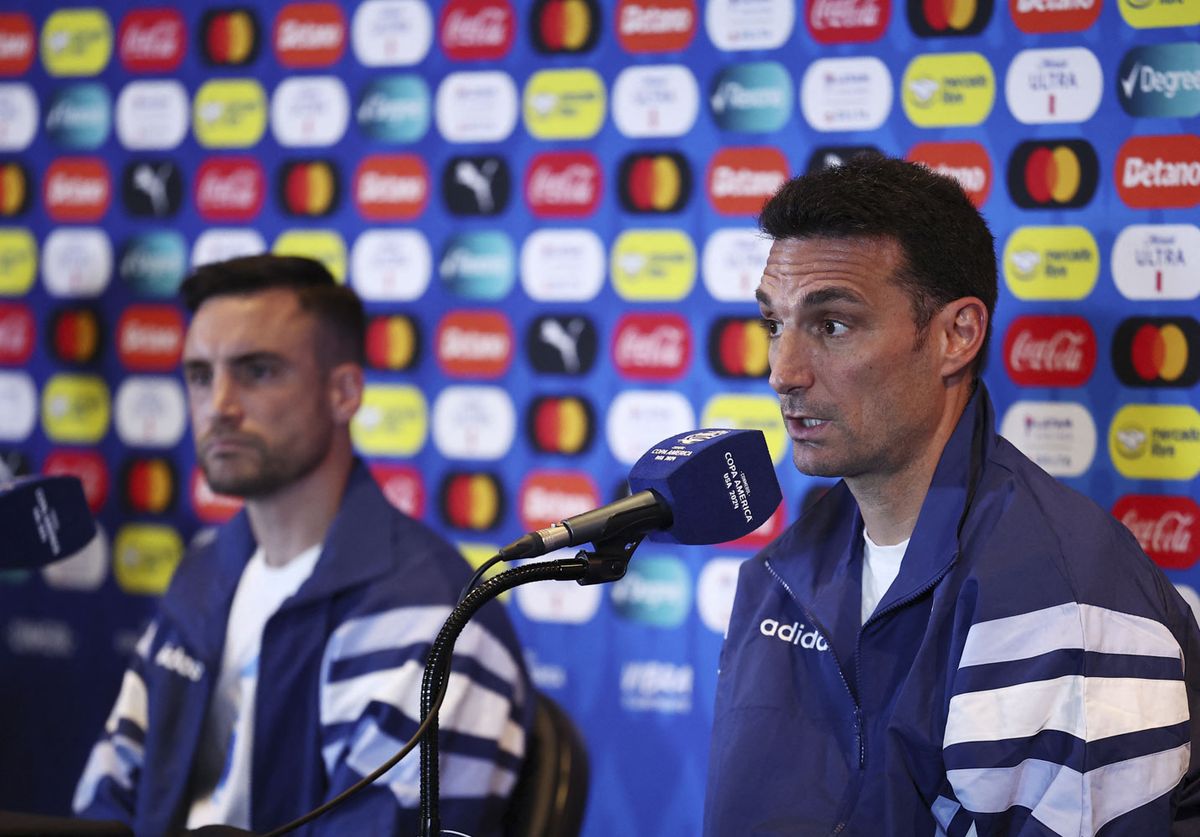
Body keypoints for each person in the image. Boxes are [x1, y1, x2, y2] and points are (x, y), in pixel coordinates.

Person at [703, 155, 1200, 835]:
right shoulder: (777, 572)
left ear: (956, 335)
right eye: (773, 324)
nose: (782, 372)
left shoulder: (1061, 599)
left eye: (833, 326)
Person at [73, 255, 533, 836]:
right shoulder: (202, 575)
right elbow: (107, 797)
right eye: (198, 375)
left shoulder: (434, 615)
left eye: (258, 371)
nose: (219, 405)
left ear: (344, 392)